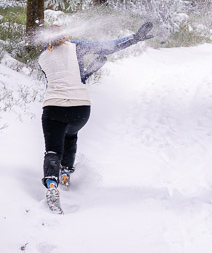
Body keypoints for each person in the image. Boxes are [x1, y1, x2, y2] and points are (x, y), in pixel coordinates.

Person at [37, 21, 154, 213]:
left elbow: (59, 79)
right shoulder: (76, 46)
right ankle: (66, 172)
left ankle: (52, 185)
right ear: (66, 35)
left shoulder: (42, 57)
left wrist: (90, 69)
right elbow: (110, 46)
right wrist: (135, 38)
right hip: (80, 110)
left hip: (53, 108)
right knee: (71, 135)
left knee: (52, 150)